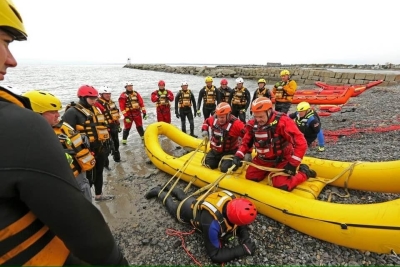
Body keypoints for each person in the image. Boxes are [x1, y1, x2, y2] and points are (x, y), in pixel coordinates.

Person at [0, 1, 128, 265]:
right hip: (75, 175)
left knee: (92, 180)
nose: (11, 60)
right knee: (85, 191)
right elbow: (78, 224)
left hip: (94, 152)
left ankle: (100, 190)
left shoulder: (93, 111)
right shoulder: (31, 125)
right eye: (5, 41)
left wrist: (107, 147)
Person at [145, 187, 257, 263]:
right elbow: (215, 255)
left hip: (197, 201)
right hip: (185, 211)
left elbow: (240, 225)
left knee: (184, 197)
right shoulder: (212, 224)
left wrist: (245, 238)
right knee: (171, 205)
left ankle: (168, 186)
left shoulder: (232, 201)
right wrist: (241, 250)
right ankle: (159, 192)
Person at [23, 90, 94, 202]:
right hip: (61, 184)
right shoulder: (30, 137)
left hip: (79, 177)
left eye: (57, 111)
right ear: (36, 113)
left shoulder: (62, 126)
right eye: (52, 112)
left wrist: (81, 136)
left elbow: (71, 140)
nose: (58, 115)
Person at [233, 97, 317, 192]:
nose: (258, 120)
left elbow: (301, 143)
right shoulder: (253, 124)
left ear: (269, 111)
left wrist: (293, 164)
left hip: (282, 159)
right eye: (255, 116)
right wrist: (238, 155)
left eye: (261, 117)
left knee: (282, 185)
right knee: (251, 176)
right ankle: (268, 171)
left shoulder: (283, 122)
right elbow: (246, 142)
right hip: (262, 160)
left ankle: (304, 172)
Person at [62, 85, 114, 202]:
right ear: (82, 98)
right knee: (88, 178)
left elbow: (102, 126)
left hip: (100, 147)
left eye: (95, 98)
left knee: (99, 172)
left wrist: (108, 141)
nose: (94, 101)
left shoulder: (96, 109)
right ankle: (85, 201)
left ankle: (99, 195)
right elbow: (64, 133)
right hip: (85, 151)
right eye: (92, 98)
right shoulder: (72, 112)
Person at [201, 102, 246, 172]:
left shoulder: (236, 124)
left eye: (222, 117)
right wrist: (204, 130)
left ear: (228, 114)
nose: (219, 119)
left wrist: (245, 151)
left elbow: (248, 135)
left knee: (225, 169)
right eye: (218, 116)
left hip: (230, 152)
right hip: (216, 151)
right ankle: (219, 159)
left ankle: (238, 161)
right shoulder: (213, 119)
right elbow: (206, 122)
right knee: (209, 164)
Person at [95, 86, 122, 168]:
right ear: (101, 94)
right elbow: (97, 117)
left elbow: (116, 114)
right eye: (106, 94)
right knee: (106, 147)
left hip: (113, 125)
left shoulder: (111, 102)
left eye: (109, 94)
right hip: (104, 128)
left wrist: (118, 125)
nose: (108, 95)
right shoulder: (97, 104)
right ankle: (106, 165)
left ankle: (117, 159)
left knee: (116, 142)